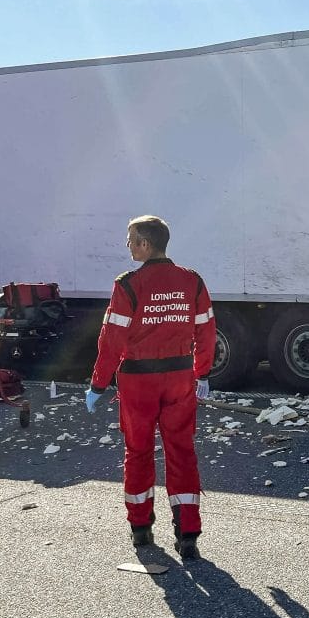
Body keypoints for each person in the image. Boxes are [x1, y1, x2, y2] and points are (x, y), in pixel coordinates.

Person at [85, 215, 215, 559]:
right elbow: (206, 330)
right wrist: (201, 374)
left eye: (131, 240)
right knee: (182, 452)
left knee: (139, 453)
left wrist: (98, 384)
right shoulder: (192, 281)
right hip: (179, 378)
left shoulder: (128, 284)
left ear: (145, 244)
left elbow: (112, 340)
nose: (128, 245)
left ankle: (141, 530)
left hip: (137, 382)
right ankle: (188, 534)